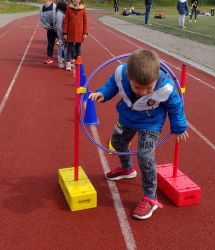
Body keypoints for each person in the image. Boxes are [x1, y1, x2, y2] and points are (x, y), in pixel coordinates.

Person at [88, 49, 188, 220]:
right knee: (117, 142)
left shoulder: (165, 87)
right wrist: (102, 93)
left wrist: (179, 126)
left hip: (151, 122)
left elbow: (175, 105)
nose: (143, 92)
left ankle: (150, 196)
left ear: (157, 76)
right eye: (137, 87)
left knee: (145, 155)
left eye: (148, 88)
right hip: (127, 116)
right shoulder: (121, 73)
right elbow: (112, 85)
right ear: (128, 75)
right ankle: (127, 169)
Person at [63, 0, 88, 71]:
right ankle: (68, 62)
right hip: (70, 32)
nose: (75, 0)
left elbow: (85, 22)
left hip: (79, 32)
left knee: (78, 48)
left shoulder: (83, 9)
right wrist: (65, 32)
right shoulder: (68, 9)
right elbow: (65, 22)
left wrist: (85, 32)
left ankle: (78, 62)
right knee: (69, 48)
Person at [40, 0, 57, 64]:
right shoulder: (42, 8)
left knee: (61, 43)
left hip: (57, 28)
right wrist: (45, 26)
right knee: (50, 43)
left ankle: (63, 57)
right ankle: (49, 57)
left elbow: (59, 17)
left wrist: (57, 26)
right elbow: (41, 19)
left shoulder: (55, 7)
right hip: (49, 28)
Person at [55, 0, 68, 69]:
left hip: (63, 33)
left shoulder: (61, 13)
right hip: (61, 34)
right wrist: (63, 33)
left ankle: (65, 61)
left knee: (65, 48)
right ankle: (60, 62)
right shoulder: (59, 14)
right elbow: (59, 26)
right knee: (61, 48)